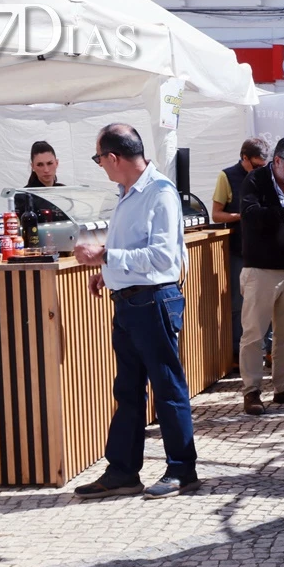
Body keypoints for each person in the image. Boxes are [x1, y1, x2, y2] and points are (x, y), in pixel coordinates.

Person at [71, 123, 198, 499]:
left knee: (167, 387)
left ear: (113, 157)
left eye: (99, 159)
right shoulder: (128, 192)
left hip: (153, 300)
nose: (100, 166)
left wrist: (106, 256)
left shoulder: (159, 192)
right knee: (128, 390)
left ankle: (182, 470)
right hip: (131, 300)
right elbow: (132, 247)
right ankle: (123, 471)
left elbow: (164, 257)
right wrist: (107, 273)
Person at [238, 136, 284, 415]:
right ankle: (252, 391)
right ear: (278, 161)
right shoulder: (256, 180)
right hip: (261, 269)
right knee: (254, 334)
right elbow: (250, 214)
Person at [211, 138, 270, 362]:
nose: (259, 170)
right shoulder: (227, 176)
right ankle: (237, 352)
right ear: (243, 158)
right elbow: (216, 214)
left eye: (263, 166)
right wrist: (242, 216)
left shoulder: (268, 176)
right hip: (239, 249)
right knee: (238, 301)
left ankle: (267, 349)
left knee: (267, 301)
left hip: (265, 250)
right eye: (255, 166)